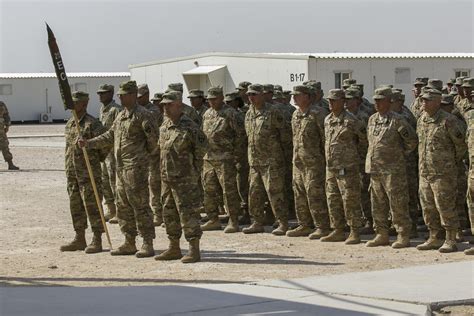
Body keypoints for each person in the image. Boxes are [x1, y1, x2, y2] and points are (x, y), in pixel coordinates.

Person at [79, 80, 158, 258]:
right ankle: (129, 241)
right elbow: (109, 135)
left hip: (135, 169)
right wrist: (89, 143)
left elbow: (153, 143)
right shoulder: (121, 115)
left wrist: (142, 161)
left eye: (123, 94)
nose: (120, 97)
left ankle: (147, 242)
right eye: (120, 95)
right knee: (123, 206)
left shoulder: (143, 115)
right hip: (121, 169)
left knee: (141, 206)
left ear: (132, 95)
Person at [154, 90, 206, 263]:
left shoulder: (190, 127)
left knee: (188, 214)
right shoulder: (164, 126)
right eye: (164, 105)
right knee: (169, 214)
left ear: (179, 105)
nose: (165, 108)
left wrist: (192, 171)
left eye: (169, 104)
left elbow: (202, 149)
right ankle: (174, 247)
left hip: (185, 180)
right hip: (167, 179)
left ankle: (193, 249)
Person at [366, 87, 418, 248]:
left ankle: (403, 234)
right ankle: (382, 233)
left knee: (398, 203)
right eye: (375, 100)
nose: (377, 103)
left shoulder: (398, 120)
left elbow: (412, 142)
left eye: (380, 100)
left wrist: (398, 156)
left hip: (393, 170)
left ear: (389, 102)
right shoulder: (372, 119)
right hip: (375, 169)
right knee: (378, 203)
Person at [416, 89, 466, 253]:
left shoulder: (449, 120)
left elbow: (460, 145)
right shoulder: (422, 119)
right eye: (423, 100)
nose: (424, 103)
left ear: (438, 102)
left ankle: (450, 238)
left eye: (428, 100)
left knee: (445, 206)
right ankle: (434, 237)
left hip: (443, 173)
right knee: (428, 206)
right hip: (425, 171)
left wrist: (449, 162)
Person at [242, 84, 292, 235]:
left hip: (272, 160)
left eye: (255, 94)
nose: (251, 97)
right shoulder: (249, 113)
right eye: (249, 94)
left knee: (275, 192)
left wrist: (284, 157)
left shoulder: (273, 112)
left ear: (263, 95)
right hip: (255, 161)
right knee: (254, 193)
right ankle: (257, 222)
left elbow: (285, 136)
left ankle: (282, 223)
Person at [61, 91, 107, 253]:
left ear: (84, 104)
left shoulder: (92, 124)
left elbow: (105, 146)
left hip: (89, 173)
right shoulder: (70, 123)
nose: (71, 105)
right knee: (75, 205)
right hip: (73, 173)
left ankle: (97, 239)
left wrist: (94, 156)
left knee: (92, 205)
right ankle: (79, 237)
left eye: (75, 102)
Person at [321, 89, 367, 244]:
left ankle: (354, 231)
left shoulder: (351, 121)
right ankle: (338, 229)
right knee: (332, 199)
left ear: (343, 102)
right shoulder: (327, 119)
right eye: (329, 100)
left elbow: (363, 142)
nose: (330, 103)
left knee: (350, 200)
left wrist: (355, 160)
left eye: (334, 100)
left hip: (348, 167)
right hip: (331, 166)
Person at [286, 85, 331, 239]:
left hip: (314, 162)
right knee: (299, 194)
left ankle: (322, 226)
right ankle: (304, 224)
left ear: (308, 96)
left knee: (315, 194)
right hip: (298, 162)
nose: (294, 98)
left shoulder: (318, 114)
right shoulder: (295, 115)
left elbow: (325, 139)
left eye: (298, 95)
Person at [200, 87, 246, 233]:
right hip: (209, 158)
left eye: (214, 99)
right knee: (209, 190)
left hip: (226, 158)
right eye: (209, 99)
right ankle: (213, 219)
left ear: (221, 98)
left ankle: (233, 220)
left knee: (229, 191)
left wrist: (236, 155)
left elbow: (241, 136)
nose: (212, 102)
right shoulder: (207, 113)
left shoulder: (231, 114)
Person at [138, 84, 164, 227]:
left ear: (147, 96)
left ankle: (158, 214)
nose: (138, 100)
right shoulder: (139, 110)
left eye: (140, 97)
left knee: (155, 184)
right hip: (143, 156)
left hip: (153, 154)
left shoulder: (152, 110)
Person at [96, 84, 121, 223]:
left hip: (113, 151)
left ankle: (119, 211)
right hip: (104, 152)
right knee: (105, 181)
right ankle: (110, 209)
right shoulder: (103, 109)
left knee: (114, 181)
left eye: (104, 93)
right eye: (99, 93)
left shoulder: (116, 110)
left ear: (111, 93)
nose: (101, 96)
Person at [0, 101, 19, 170]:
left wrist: (7, 126)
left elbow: (6, 115)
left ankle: (10, 164)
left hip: (1, 131)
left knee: (5, 146)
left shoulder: (1, 104)